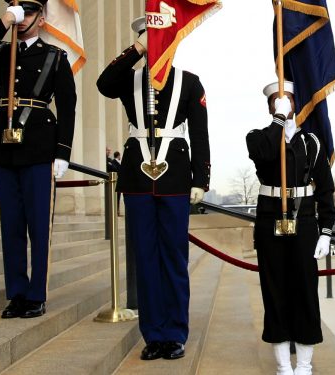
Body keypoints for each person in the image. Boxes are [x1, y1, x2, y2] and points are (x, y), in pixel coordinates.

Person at [96, 17, 210, 361]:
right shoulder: (129, 78)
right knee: (145, 258)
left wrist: (200, 179)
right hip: (137, 176)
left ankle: (175, 332)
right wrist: (139, 48)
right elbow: (103, 83)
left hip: (175, 175)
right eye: (151, 38)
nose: (157, 44)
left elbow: (200, 135)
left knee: (174, 258)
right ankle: (153, 334)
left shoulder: (190, 82)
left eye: (162, 38)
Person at [0, 0, 76, 319]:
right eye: (18, 12)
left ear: (41, 19)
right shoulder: (1, 52)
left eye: (28, 13)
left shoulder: (55, 58)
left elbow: (68, 109)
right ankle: (16, 292)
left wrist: (63, 152)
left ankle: (36, 294)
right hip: (3, 145)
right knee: (11, 224)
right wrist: (4, 21)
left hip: (39, 146)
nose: (22, 18)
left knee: (38, 224)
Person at [246, 80, 335, 375]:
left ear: (297, 103)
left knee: (305, 292)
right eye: (275, 100)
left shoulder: (312, 142)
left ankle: (305, 365)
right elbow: (266, 154)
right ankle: (284, 366)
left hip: (305, 222)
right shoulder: (258, 137)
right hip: (270, 222)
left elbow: (325, 190)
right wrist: (278, 121)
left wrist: (326, 230)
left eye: (285, 100)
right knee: (275, 293)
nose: (280, 103)